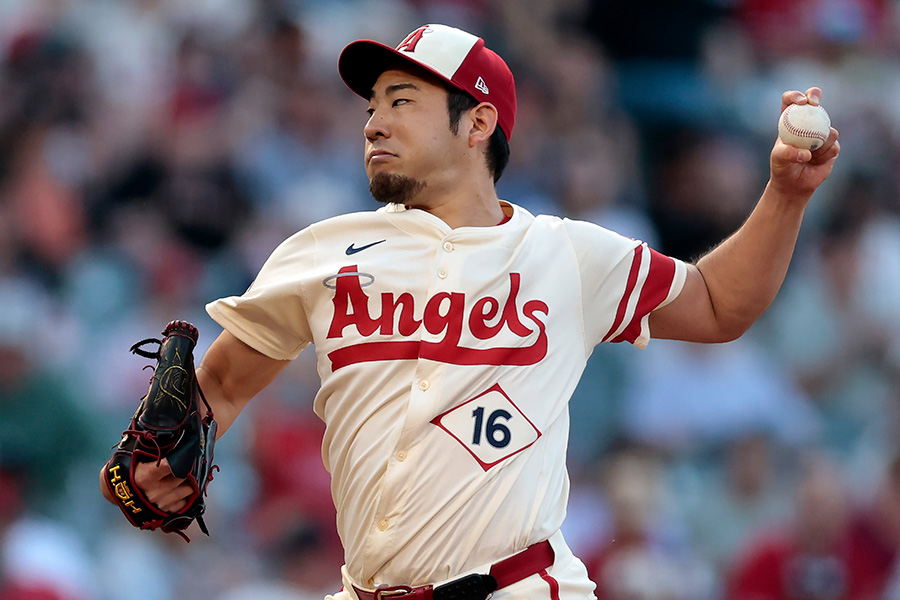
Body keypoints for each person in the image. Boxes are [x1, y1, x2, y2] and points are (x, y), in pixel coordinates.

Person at [100, 23, 839, 600]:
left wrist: (785, 196)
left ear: (478, 122)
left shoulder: (563, 253)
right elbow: (218, 389)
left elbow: (716, 305)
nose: (374, 123)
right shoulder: (323, 250)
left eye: (402, 102)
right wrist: (143, 470)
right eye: (372, 106)